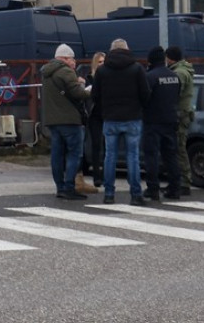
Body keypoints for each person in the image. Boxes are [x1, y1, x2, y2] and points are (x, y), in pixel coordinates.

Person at [93, 37, 151, 206]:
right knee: (132, 156)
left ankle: (109, 194)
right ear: (127, 49)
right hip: (132, 118)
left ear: (111, 51)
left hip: (110, 118)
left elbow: (95, 95)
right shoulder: (136, 69)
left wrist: (106, 107)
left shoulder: (103, 71)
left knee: (110, 156)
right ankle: (135, 194)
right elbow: (146, 94)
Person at [40, 43, 92, 200]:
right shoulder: (66, 72)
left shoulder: (46, 73)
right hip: (69, 120)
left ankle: (60, 187)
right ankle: (69, 186)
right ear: (64, 58)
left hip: (52, 121)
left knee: (57, 155)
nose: (74, 62)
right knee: (74, 154)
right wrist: (86, 88)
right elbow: (78, 94)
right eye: (72, 59)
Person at [141, 46, 183, 202]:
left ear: (150, 60)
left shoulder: (150, 77)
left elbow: (144, 98)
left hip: (153, 121)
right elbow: (177, 97)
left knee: (151, 155)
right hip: (171, 120)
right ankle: (175, 188)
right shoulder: (174, 76)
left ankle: (153, 189)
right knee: (171, 155)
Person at [166, 45, 196, 195]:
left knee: (179, 149)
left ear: (170, 58)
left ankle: (184, 182)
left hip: (179, 114)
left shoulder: (179, 73)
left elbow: (174, 92)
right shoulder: (183, 70)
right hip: (182, 114)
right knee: (178, 148)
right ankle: (180, 180)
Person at [80, 51, 107, 189]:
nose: (102, 64)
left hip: (107, 114)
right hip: (95, 115)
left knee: (107, 146)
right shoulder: (90, 78)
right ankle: (97, 175)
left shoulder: (109, 77)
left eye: (104, 61)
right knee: (96, 145)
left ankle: (105, 174)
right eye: (100, 62)